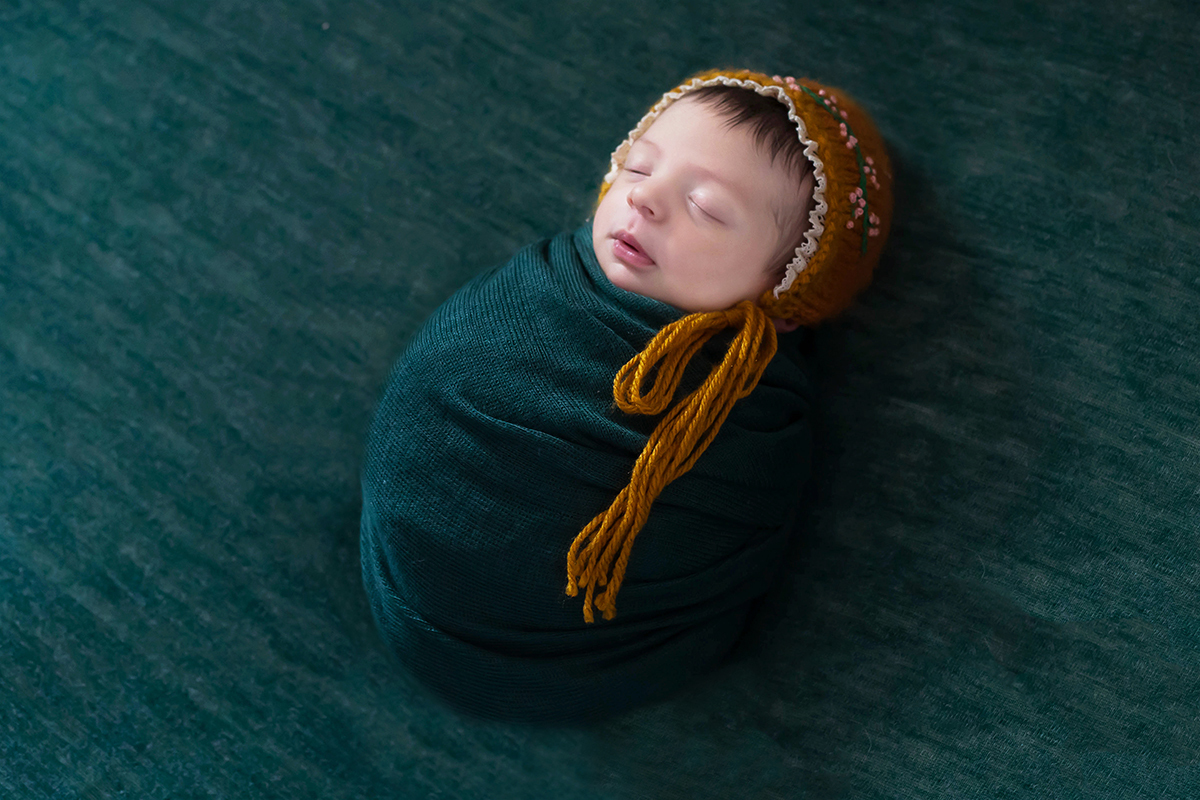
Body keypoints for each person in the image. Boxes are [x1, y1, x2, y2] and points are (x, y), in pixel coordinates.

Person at [360, 68, 893, 722]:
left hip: (588, 664)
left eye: (705, 207)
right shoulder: (538, 286)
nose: (645, 200)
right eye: (637, 169)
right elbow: (435, 382)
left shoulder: (752, 415)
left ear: (785, 291)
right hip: (407, 579)